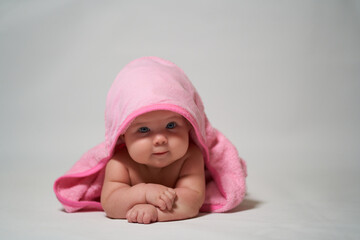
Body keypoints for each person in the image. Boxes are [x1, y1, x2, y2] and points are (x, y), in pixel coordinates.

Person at [101, 110, 205, 224]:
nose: (160, 140)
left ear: (188, 124)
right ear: (123, 135)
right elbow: (110, 203)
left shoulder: (190, 157)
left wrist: (156, 212)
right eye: (143, 129)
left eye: (171, 125)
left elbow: (193, 200)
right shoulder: (119, 163)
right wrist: (144, 193)